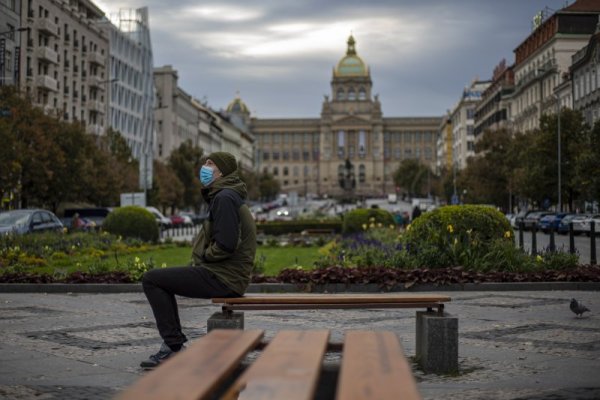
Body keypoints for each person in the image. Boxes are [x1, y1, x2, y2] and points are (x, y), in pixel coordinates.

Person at [140, 152, 257, 369]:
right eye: (205, 162)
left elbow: (226, 244)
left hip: (224, 278)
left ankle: (173, 348)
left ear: (221, 171)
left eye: (210, 164)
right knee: (161, 280)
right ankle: (172, 345)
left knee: (152, 279)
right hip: (229, 276)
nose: (204, 167)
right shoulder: (229, 196)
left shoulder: (224, 198)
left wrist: (204, 256)